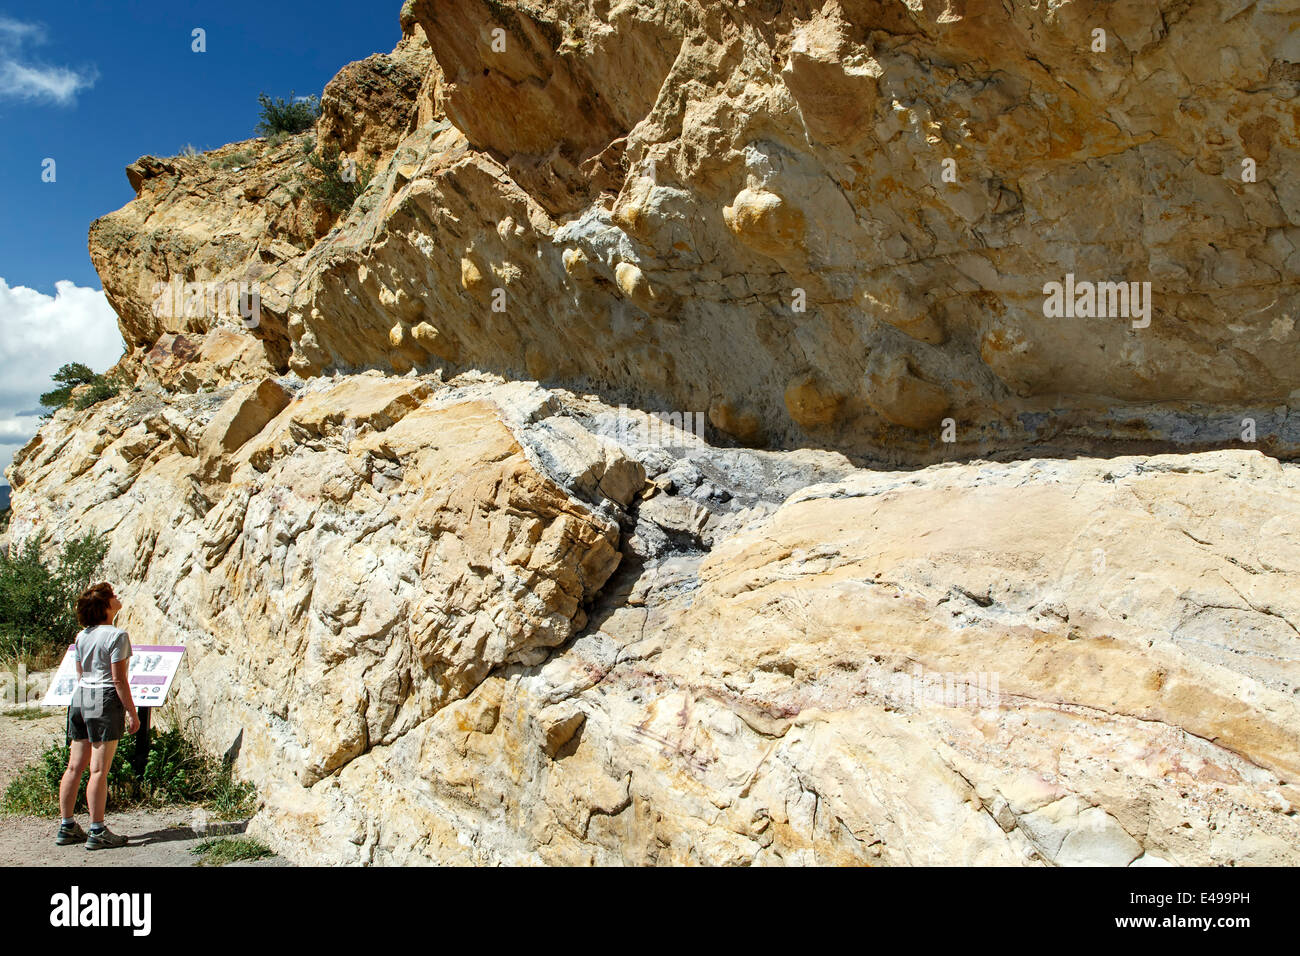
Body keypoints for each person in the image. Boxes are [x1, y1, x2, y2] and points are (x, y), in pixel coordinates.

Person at [55, 582, 140, 850]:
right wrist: (132, 713)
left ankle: (67, 825)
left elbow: (80, 674)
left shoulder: (82, 636)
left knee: (74, 766)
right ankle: (97, 829)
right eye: (113, 596)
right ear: (105, 606)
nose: (118, 598)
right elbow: (119, 680)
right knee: (99, 770)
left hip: (82, 697)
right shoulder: (117, 636)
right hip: (103, 698)